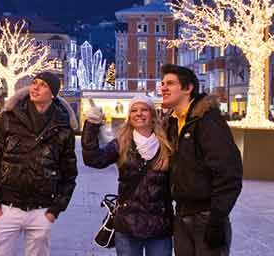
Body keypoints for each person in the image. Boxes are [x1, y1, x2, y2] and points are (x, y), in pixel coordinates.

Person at [0, 71, 78, 256]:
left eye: (43, 85)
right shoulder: (8, 119)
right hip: (7, 207)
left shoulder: (63, 127)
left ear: (53, 94)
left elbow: (69, 174)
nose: (35, 87)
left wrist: (54, 211)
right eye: (34, 83)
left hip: (41, 210)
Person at [160, 64, 242, 256]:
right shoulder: (172, 123)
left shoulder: (207, 120)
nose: (163, 87)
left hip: (206, 217)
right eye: (162, 83)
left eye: (170, 83)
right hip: (181, 216)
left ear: (188, 88)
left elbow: (229, 171)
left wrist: (217, 218)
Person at [82, 95, 174, 256]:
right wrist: (91, 126)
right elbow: (94, 159)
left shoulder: (167, 145)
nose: (139, 113)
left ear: (152, 115)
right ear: (129, 117)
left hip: (160, 226)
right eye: (134, 110)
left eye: (144, 109)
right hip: (127, 225)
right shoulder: (121, 143)